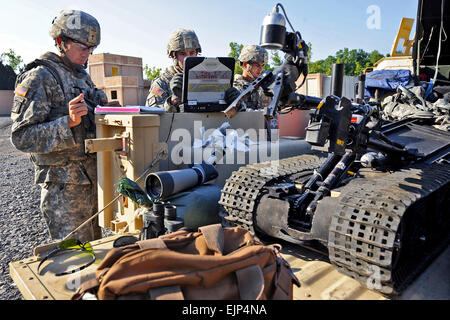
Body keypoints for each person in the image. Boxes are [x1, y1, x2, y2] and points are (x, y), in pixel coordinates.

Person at [10, 10, 116, 242]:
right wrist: (66, 122)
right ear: (61, 42)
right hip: (64, 190)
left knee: (94, 254)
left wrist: (108, 109)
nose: (87, 53)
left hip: (91, 183)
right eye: (83, 46)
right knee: (74, 260)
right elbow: (21, 137)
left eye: (91, 47)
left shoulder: (82, 77)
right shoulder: (39, 77)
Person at [145, 29, 201, 112]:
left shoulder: (205, 79)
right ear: (173, 56)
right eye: (183, 53)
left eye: (192, 53)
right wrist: (172, 102)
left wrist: (227, 101)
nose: (189, 58)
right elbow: (151, 113)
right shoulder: (162, 83)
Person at [233, 44, 271, 110]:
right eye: (257, 65)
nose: (261, 69)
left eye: (262, 66)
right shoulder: (236, 88)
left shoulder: (262, 87)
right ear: (245, 65)